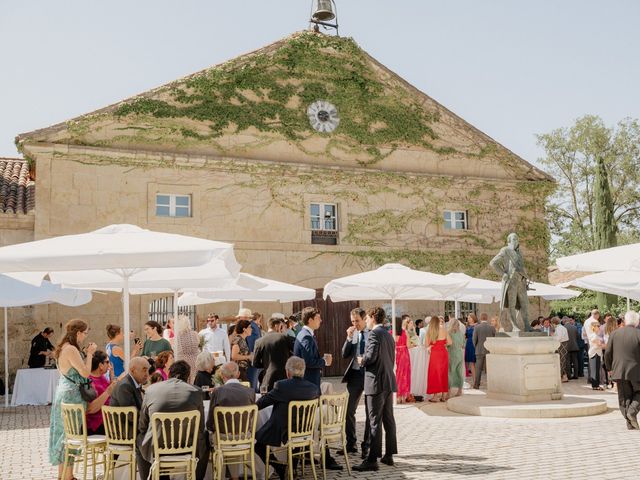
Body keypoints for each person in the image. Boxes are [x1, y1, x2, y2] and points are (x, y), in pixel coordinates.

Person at [137, 360, 209, 480]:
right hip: (187, 447)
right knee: (205, 438)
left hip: (158, 448)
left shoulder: (151, 390)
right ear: (188, 376)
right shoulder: (196, 392)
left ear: (169, 373)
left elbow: (142, 425)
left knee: (140, 440)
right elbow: (200, 426)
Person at [254, 356, 322, 480]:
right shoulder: (314, 388)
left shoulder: (281, 386)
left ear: (287, 372)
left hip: (283, 431)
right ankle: (293, 469)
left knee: (257, 444)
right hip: (304, 432)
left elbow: (260, 404)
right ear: (303, 371)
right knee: (295, 435)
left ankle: (280, 467)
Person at [48, 319, 97, 480]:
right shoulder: (71, 349)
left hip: (62, 392)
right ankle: (68, 476)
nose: (85, 336)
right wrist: (89, 354)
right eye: (85, 333)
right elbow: (84, 373)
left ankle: (63, 475)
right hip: (72, 395)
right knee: (70, 436)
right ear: (78, 333)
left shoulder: (63, 348)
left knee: (63, 435)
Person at [353, 306, 397, 472]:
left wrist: (361, 359)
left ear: (372, 317)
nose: (366, 321)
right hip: (387, 381)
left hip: (375, 382)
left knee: (374, 421)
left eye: (367, 318)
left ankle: (372, 459)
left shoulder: (374, 334)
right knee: (388, 419)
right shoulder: (388, 334)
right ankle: (389, 455)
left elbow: (371, 357)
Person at [340, 307, 370, 458]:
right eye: (352, 321)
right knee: (348, 410)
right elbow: (344, 354)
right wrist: (348, 338)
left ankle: (367, 446)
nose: (355, 324)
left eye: (357, 321)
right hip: (355, 375)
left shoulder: (372, 333)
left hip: (370, 375)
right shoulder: (354, 334)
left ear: (364, 319)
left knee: (369, 412)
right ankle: (351, 443)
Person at [604, 311, 640, 430]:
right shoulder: (638, 334)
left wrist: (609, 368)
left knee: (624, 397)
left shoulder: (614, 334)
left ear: (625, 321)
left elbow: (607, 353)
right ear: (637, 322)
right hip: (636, 370)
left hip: (618, 370)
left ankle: (630, 421)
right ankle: (632, 413)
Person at [489, 232, 531, 331]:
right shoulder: (505, 250)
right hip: (511, 282)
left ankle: (527, 325)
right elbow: (493, 263)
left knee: (524, 304)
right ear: (509, 241)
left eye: (517, 239)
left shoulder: (519, 252)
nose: (516, 241)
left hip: (521, 281)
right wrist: (503, 274)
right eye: (513, 239)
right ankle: (515, 326)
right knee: (511, 304)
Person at [206, 361, 255, 432]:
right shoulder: (250, 391)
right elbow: (251, 416)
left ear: (222, 375)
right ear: (238, 374)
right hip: (245, 435)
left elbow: (210, 422)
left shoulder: (217, 392)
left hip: (222, 436)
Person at [294, 306, 332, 387]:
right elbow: (308, 362)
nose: (321, 320)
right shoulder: (306, 336)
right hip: (308, 381)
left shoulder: (305, 334)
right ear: (310, 320)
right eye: (318, 318)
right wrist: (325, 361)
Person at [252, 316, 291, 391]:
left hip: (267, 379)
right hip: (284, 379)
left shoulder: (259, 341)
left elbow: (255, 363)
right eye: (282, 326)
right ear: (277, 326)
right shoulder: (285, 338)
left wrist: (267, 364)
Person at [86, 350, 118, 435]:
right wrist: (108, 391)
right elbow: (90, 409)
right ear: (100, 365)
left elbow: (110, 395)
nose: (109, 365)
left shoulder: (102, 377)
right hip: (97, 425)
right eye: (107, 362)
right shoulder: (89, 381)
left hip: (108, 420)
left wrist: (112, 377)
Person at [426, 316, 451, 402]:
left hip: (435, 354)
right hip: (443, 353)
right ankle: (444, 396)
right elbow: (450, 342)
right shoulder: (444, 329)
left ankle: (435, 396)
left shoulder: (429, 331)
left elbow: (426, 344)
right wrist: (443, 344)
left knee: (434, 374)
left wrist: (432, 345)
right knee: (444, 373)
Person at [174, 314, 200, 383]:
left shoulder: (177, 336)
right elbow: (198, 345)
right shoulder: (195, 334)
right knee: (193, 381)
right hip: (194, 361)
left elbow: (175, 349)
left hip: (182, 363)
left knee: (184, 381)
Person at [472, 313, 496, 389]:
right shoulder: (491, 328)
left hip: (479, 350)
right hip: (489, 350)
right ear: (487, 318)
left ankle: (476, 385)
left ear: (480, 318)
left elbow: (474, 339)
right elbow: (494, 339)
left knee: (478, 369)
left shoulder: (477, 327)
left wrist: (476, 346)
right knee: (490, 368)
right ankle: (492, 384)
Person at [395, 317, 412, 403]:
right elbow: (409, 345)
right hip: (404, 354)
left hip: (395, 354)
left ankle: (396, 396)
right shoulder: (405, 332)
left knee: (396, 375)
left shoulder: (390, 333)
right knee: (404, 375)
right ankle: (402, 396)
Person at [447, 317, 465, 397]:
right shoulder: (461, 333)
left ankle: (449, 392)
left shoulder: (449, 333)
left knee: (451, 372)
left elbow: (448, 344)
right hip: (460, 354)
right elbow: (463, 345)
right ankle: (459, 391)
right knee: (459, 373)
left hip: (452, 354)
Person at [587, 321, 605, 390]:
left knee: (597, 370)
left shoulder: (596, 335)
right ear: (593, 327)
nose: (599, 328)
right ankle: (595, 385)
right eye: (597, 326)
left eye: (599, 326)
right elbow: (598, 344)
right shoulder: (593, 335)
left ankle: (596, 384)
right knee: (594, 370)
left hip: (598, 353)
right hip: (594, 353)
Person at [552, 317, 570, 382]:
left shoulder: (559, 328)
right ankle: (565, 377)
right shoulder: (562, 327)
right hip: (564, 344)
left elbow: (559, 337)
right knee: (563, 361)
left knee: (561, 362)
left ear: (554, 323)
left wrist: (553, 337)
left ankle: (561, 377)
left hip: (562, 345)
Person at [464, 313, 477, 380]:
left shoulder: (477, 325)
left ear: (473, 318)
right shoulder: (467, 326)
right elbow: (465, 336)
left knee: (472, 363)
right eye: (468, 318)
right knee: (467, 363)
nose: (468, 319)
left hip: (474, 344)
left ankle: (475, 380)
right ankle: (467, 380)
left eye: (469, 318)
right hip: (468, 344)